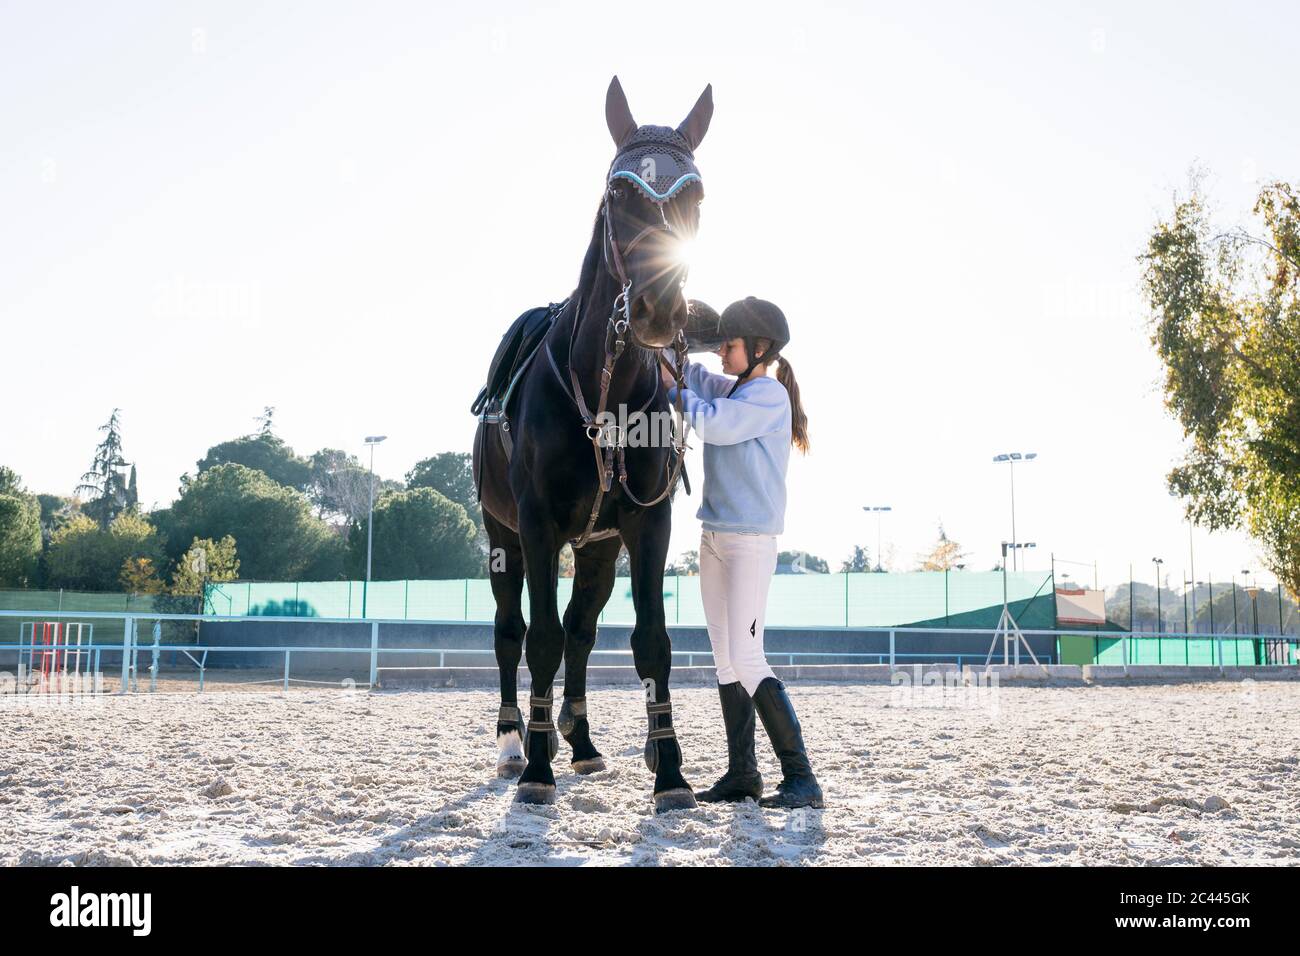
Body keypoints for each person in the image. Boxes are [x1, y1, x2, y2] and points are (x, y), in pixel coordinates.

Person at [660, 296, 823, 809]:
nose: (721, 354)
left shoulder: (768, 396)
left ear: (759, 349)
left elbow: (713, 422)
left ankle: (802, 778)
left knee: (749, 657)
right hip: (713, 537)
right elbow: (697, 379)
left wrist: (675, 394)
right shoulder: (735, 386)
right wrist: (668, 346)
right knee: (725, 660)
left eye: (728, 346)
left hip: (751, 543)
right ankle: (742, 774)